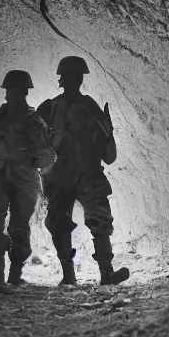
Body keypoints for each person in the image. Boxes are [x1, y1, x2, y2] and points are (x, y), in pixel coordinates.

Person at [36, 56, 130, 286]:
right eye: (70, 77)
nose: (73, 81)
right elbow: (36, 144)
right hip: (59, 176)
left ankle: (106, 274)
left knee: (100, 222)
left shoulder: (89, 107)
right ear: (62, 79)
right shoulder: (50, 108)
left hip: (87, 174)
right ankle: (69, 275)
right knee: (60, 225)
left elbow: (108, 151)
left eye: (76, 77)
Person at [0, 70, 56, 288]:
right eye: (9, 91)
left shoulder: (34, 121)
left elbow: (46, 155)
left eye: (16, 91)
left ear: (25, 93)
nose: (11, 95)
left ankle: (15, 274)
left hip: (25, 177)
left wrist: (40, 157)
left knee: (19, 227)